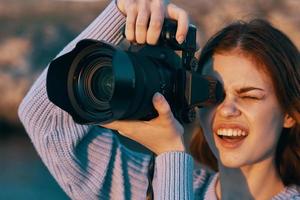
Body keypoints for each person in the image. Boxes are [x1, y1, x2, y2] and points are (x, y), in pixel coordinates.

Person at [18, 0, 300, 199]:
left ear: (289, 113)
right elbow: (46, 119)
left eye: (249, 96)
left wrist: (171, 156)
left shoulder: (167, 170)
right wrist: (121, 14)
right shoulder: (146, 184)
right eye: (212, 92)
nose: (226, 108)